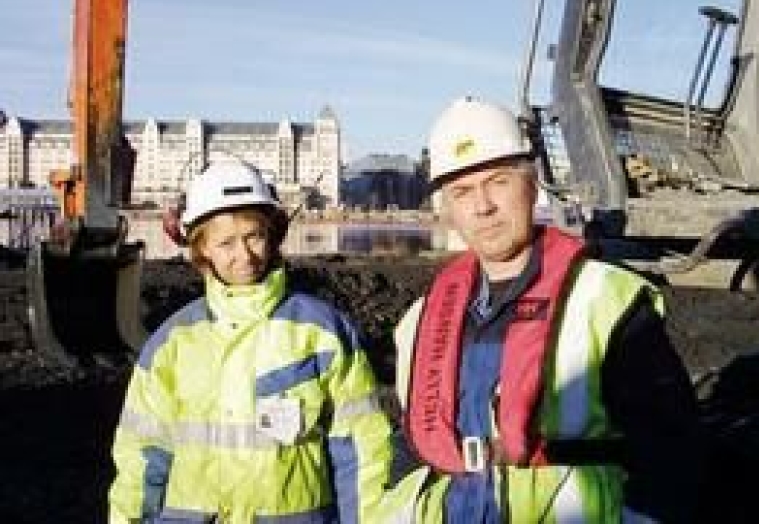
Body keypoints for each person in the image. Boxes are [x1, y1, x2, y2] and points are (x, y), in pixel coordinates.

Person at [378, 97, 702, 523]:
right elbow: (409, 447)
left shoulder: (606, 300)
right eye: (462, 191)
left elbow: (672, 458)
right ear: (448, 209)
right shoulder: (420, 321)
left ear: (531, 186)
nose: (483, 206)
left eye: (498, 182)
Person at [108, 160, 392, 523]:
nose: (244, 255)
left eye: (253, 236)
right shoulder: (173, 343)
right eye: (226, 242)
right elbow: (140, 456)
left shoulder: (321, 332)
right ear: (202, 248)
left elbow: (361, 450)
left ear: (272, 236)